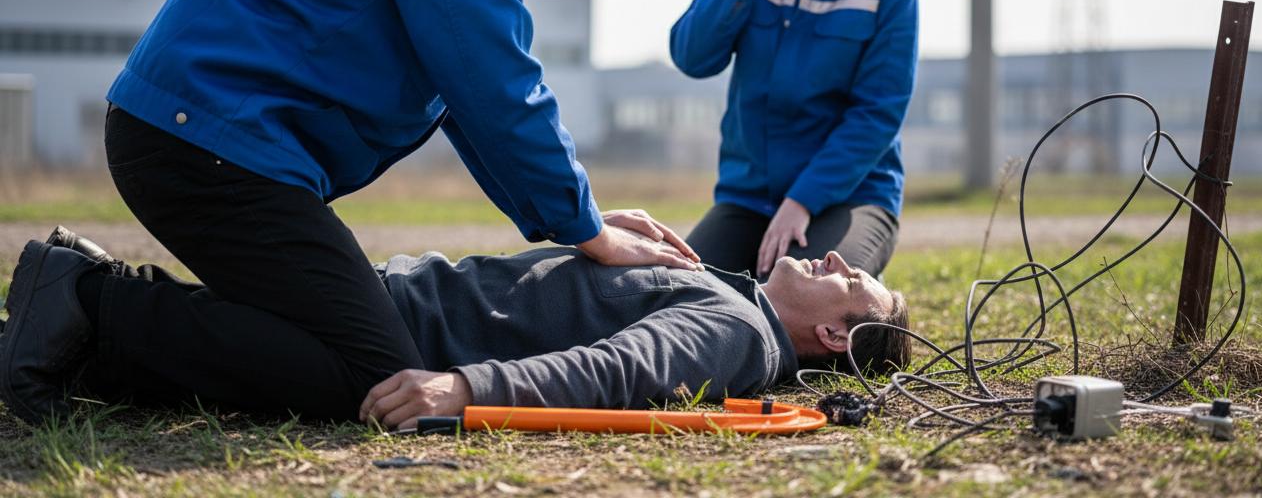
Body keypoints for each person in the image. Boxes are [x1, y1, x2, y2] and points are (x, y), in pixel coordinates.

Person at [82, 0, 700, 425]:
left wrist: (574, 220)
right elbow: (502, 91)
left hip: (204, 140)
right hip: (201, 145)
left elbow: (470, 97)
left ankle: (86, 307)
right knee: (371, 379)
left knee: (340, 345)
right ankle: (82, 308)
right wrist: (589, 229)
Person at [0, 229, 911, 428]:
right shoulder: (721, 292)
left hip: (409, 312)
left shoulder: (734, 333)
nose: (837, 260)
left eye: (855, 282)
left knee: (309, 378)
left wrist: (469, 387)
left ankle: (85, 315)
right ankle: (93, 296)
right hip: (399, 318)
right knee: (330, 388)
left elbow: (614, 367)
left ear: (838, 339)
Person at [670, 0, 918, 280]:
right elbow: (692, 55)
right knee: (681, 295)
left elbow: (877, 113)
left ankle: (861, 297)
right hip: (748, 199)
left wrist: (802, 201)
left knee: (803, 304)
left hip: (850, 198)